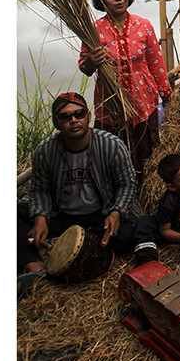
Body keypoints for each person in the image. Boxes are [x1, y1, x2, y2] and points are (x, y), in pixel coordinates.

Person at [17, 92, 139, 278]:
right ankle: (34, 266)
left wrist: (116, 212)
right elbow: (40, 189)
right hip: (62, 216)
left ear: (88, 116)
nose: (74, 120)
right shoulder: (45, 151)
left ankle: (78, 247)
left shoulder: (112, 145)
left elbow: (127, 185)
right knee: (16, 213)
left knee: (125, 234)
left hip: (101, 215)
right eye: (65, 117)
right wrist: (40, 217)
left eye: (79, 114)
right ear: (56, 123)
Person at [78, 0, 172, 182]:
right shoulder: (94, 30)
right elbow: (84, 67)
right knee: (112, 151)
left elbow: (156, 64)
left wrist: (166, 94)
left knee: (145, 150)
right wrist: (92, 61)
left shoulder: (144, 25)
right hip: (110, 102)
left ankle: (145, 187)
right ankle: (117, 188)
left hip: (143, 101)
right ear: (102, 1)